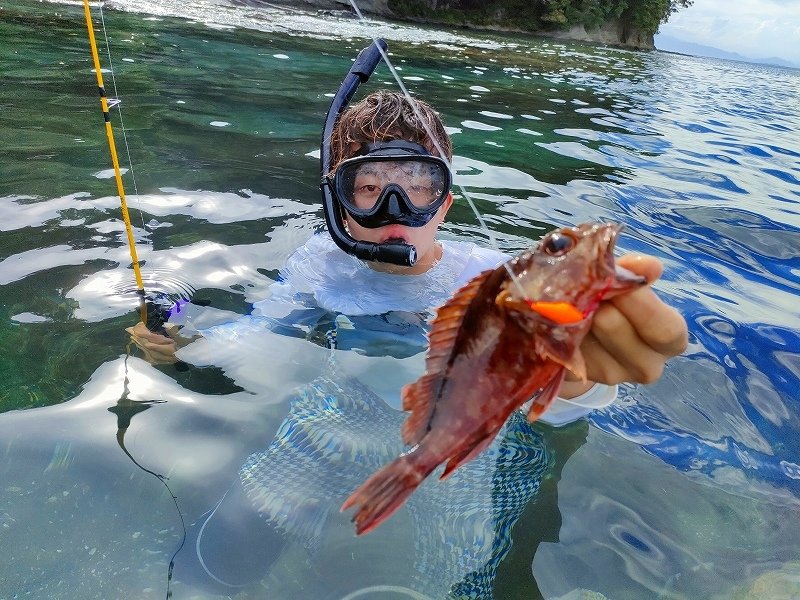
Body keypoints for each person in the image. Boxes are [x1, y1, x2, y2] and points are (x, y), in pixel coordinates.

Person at [125, 87, 688, 595]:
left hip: (465, 447)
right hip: (338, 414)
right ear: (338, 203)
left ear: (444, 201)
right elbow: (261, 335)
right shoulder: (319, 266)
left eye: (419, 187)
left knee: (461, 576)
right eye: (368, 188)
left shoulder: (495, 275)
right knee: (214, 562)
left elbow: (553, 397)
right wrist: (187, 345)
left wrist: (581, 385)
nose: (395, 213)